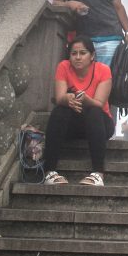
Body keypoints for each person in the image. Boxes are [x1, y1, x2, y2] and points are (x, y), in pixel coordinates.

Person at [41, 35, 115, 187]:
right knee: (60, 111)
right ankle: (49, 171)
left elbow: (99, 103)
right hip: (74, 123)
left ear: (92, 55)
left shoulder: (103, 70)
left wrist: (85, 99)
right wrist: (67, 99)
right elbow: (59, 96)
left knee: (94, 111)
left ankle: (98, 173)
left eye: (83, 53)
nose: (78, 57)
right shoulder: (63, 66)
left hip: (100, 123)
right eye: (74, 53)